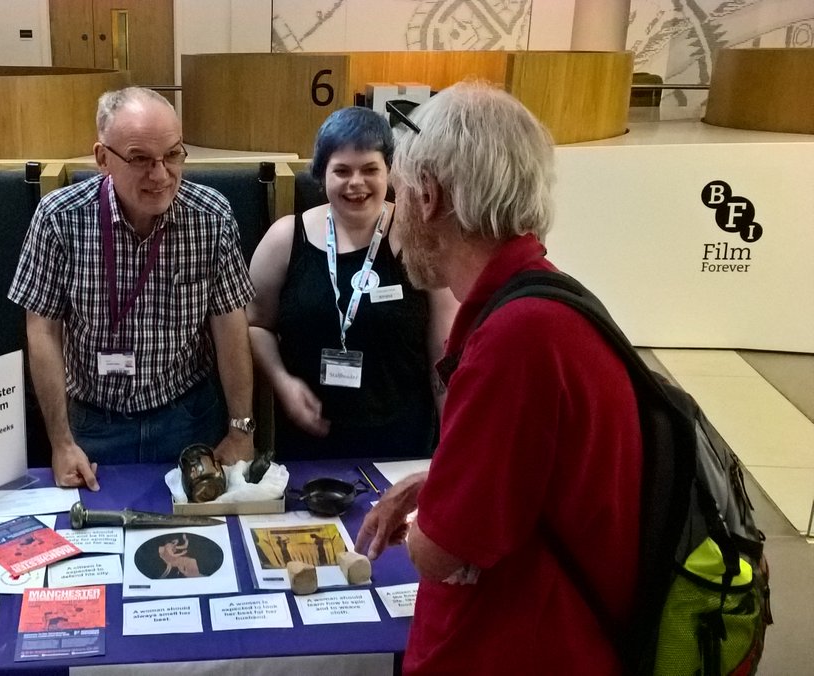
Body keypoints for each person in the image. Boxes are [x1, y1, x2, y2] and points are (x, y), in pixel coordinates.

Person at [354, 82, 643, 674]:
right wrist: (436, 484)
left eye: (397, 194)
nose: (394, 216)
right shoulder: (548, 301)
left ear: (428, 196)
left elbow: (438, 553)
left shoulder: (514, 339)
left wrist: (427, 526)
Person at [9, 86, 256, 491]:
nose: (160, 175)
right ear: (103, 158)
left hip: (189, 420)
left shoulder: (212, 217)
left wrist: (240, 430)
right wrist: (61, 442)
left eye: (172, 155)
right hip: (93, 424)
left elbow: (230, 327)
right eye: (140, 159)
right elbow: (43, 332)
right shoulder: (59, 219)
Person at [247, 106, 455, 459]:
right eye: (342, 170)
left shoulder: (421, 239)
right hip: (307, 442)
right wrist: (282, 382)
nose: (356, 182)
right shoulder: (285, 238)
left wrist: (452, 440)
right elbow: (255, 324)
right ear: (321, 174)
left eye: (370, 169)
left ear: (389, 171)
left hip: (402, 442)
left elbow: (444, 348)